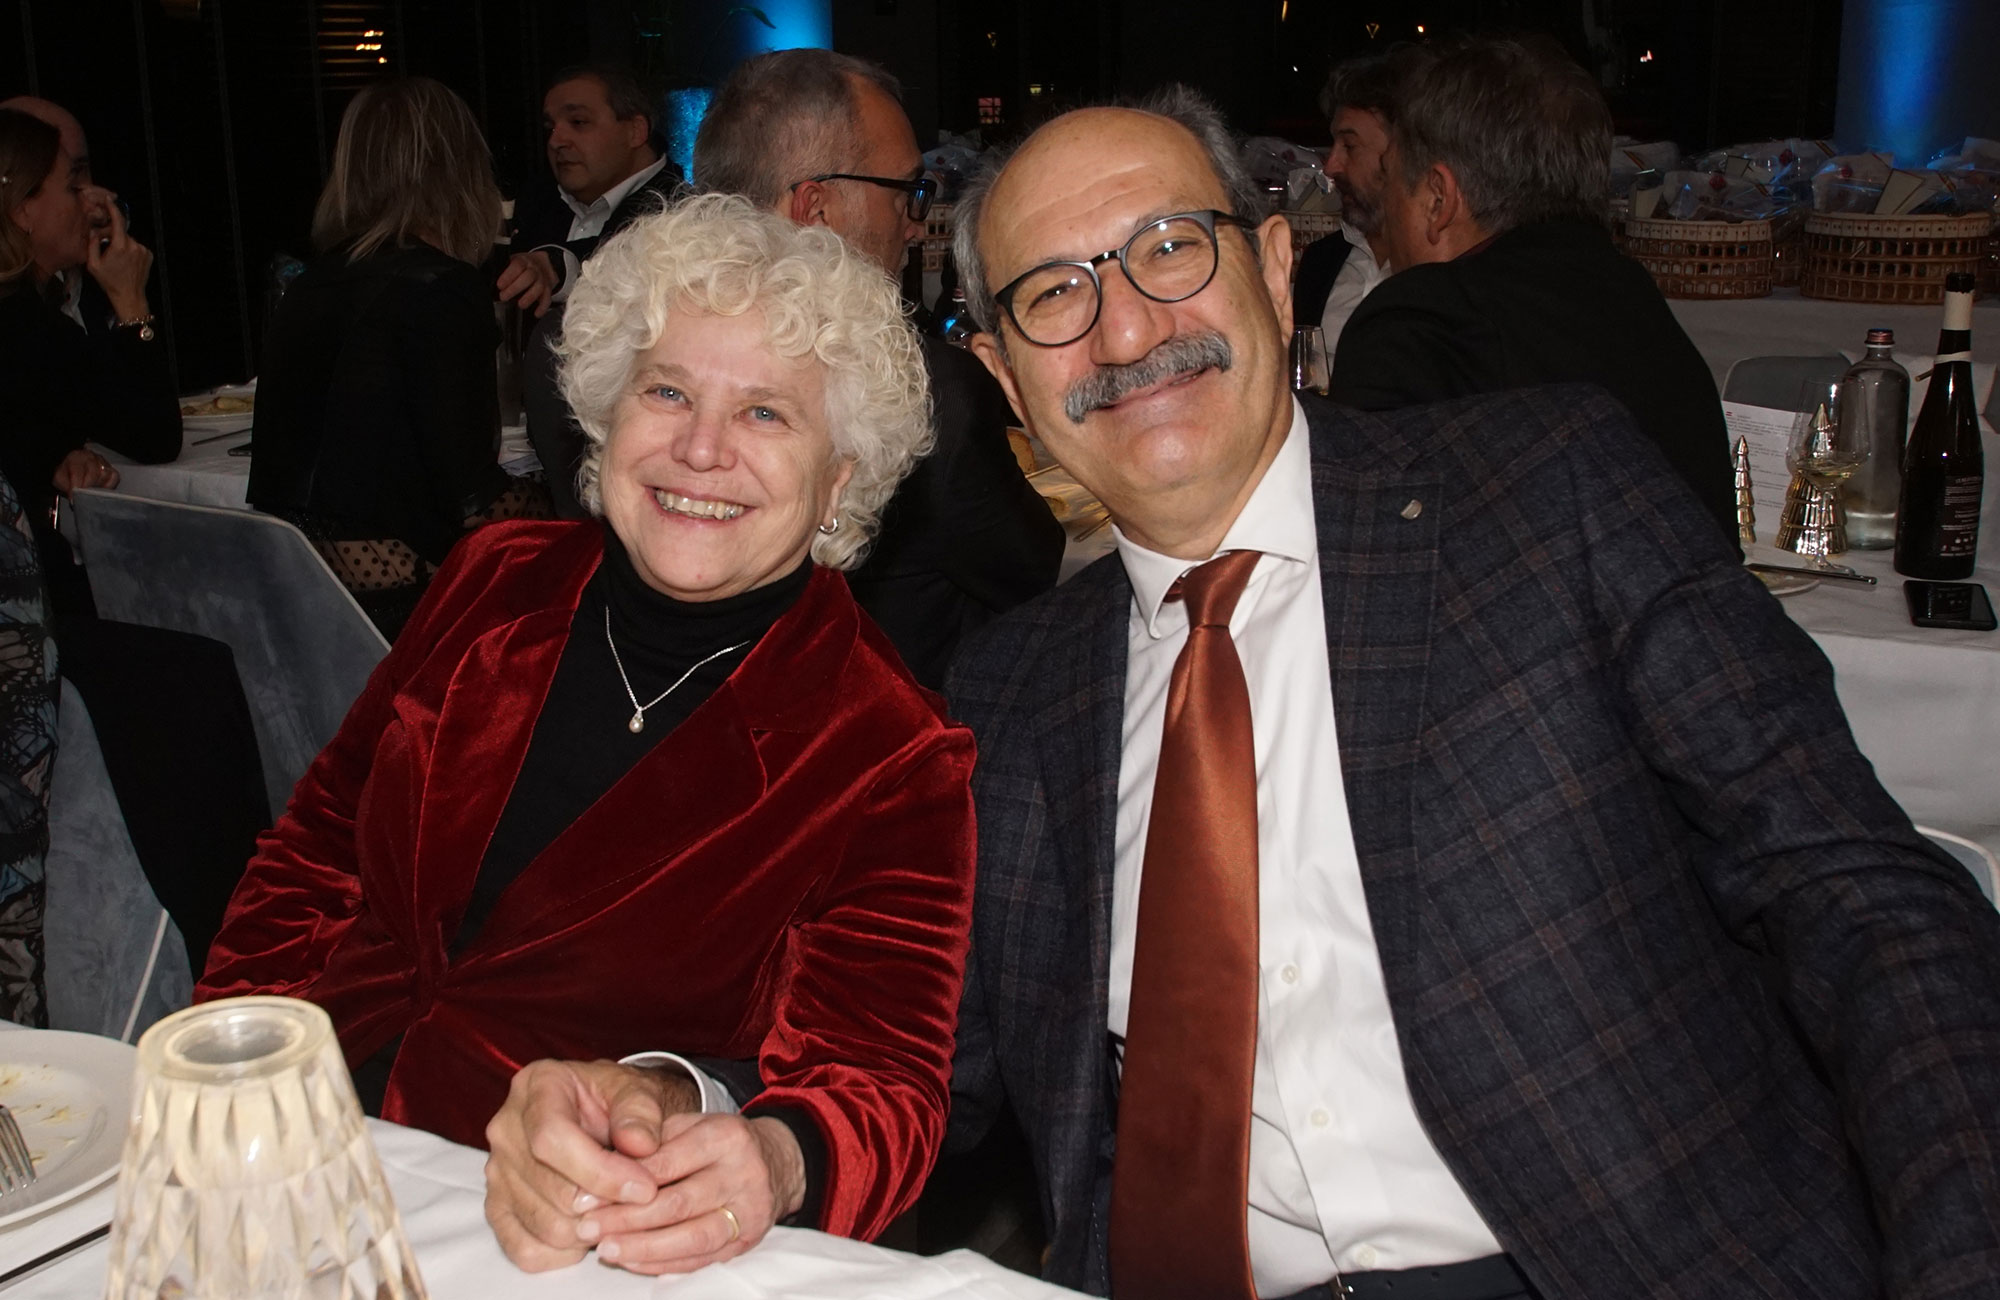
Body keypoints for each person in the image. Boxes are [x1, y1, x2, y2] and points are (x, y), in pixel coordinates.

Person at [930, 86, 2000, 1300]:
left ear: (1273, 270)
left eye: (1168, 248)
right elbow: (911, 1054)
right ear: (1002, 374)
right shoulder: (1008, 691)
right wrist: (755, 1131)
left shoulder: (1544, 497)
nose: (1124, 330)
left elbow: (1855, 894)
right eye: (1052, 294)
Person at [199, 193, 975, 1271]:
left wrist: (776, 1156)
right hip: (303, 1145)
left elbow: (882, 1085)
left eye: (765, 413)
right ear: (608, 414)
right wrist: (237, 1068)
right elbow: (317, 848)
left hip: (562, 1230)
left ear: (839, 478)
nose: (700, 448)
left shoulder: (886, 748)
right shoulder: (493, 581)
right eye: (668, 391)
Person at [690, 48, 1063, 689]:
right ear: (816, 210)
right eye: (909, 194)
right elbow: (1036, 572)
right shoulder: (925, 391)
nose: (916, 227)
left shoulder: (623, 356)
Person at [1325, 36, 1736, 544]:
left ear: (1437, 199)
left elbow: (1359, 556)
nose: (1387, 210)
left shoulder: (1418, 323)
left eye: (1392, 182)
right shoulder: (1638, 305)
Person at [247, 78, 545, 639]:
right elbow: (473, 501)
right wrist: (571, 504)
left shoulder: (308, 283)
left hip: (295, 592)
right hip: (398, 605)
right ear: (462, 171)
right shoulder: (440, 287)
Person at [0, 104, 178, 618]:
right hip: (30, 610)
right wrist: (131, 303)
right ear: (23, 211)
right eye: (73, 186)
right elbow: (154, 436)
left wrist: (54, 456)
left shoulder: (29, 314)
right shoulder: (24, 325)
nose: (92, 201)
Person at [509, 65, 685, 518]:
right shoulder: (538, 202)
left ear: (635, 130)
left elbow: (625, 260)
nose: (557, 140)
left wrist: (554, 265)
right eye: (550, 127)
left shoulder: (678, 213)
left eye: (578, 122)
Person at [1293, 52, 1405, 341]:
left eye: (1350, 146)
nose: (1330, 166)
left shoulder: (1444, 270)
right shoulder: (1320, 262)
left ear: (1402, 154)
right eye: (1333, 143)